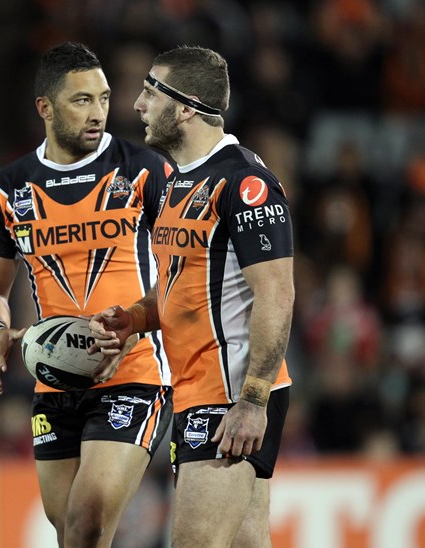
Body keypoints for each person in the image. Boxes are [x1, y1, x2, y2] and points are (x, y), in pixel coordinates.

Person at [89, 46, 294, 547]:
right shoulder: (177, 183)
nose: (137, 104)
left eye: (149, 92)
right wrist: (135, 318)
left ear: (185, 106)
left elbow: (278, 294)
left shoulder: (244, 182)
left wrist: (252, 401)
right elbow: (185, 289)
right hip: (198, 391)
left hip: (230, 394)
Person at [0, 42, 173, 548]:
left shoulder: (146, 172)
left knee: (86, 518)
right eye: (82, 100)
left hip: (135, 373)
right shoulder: (7, 190)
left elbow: (185, 280)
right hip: (55, 377)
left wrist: (132, 326)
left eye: (104, 99)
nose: (98, 113)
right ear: (46, 107)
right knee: (73, 536)